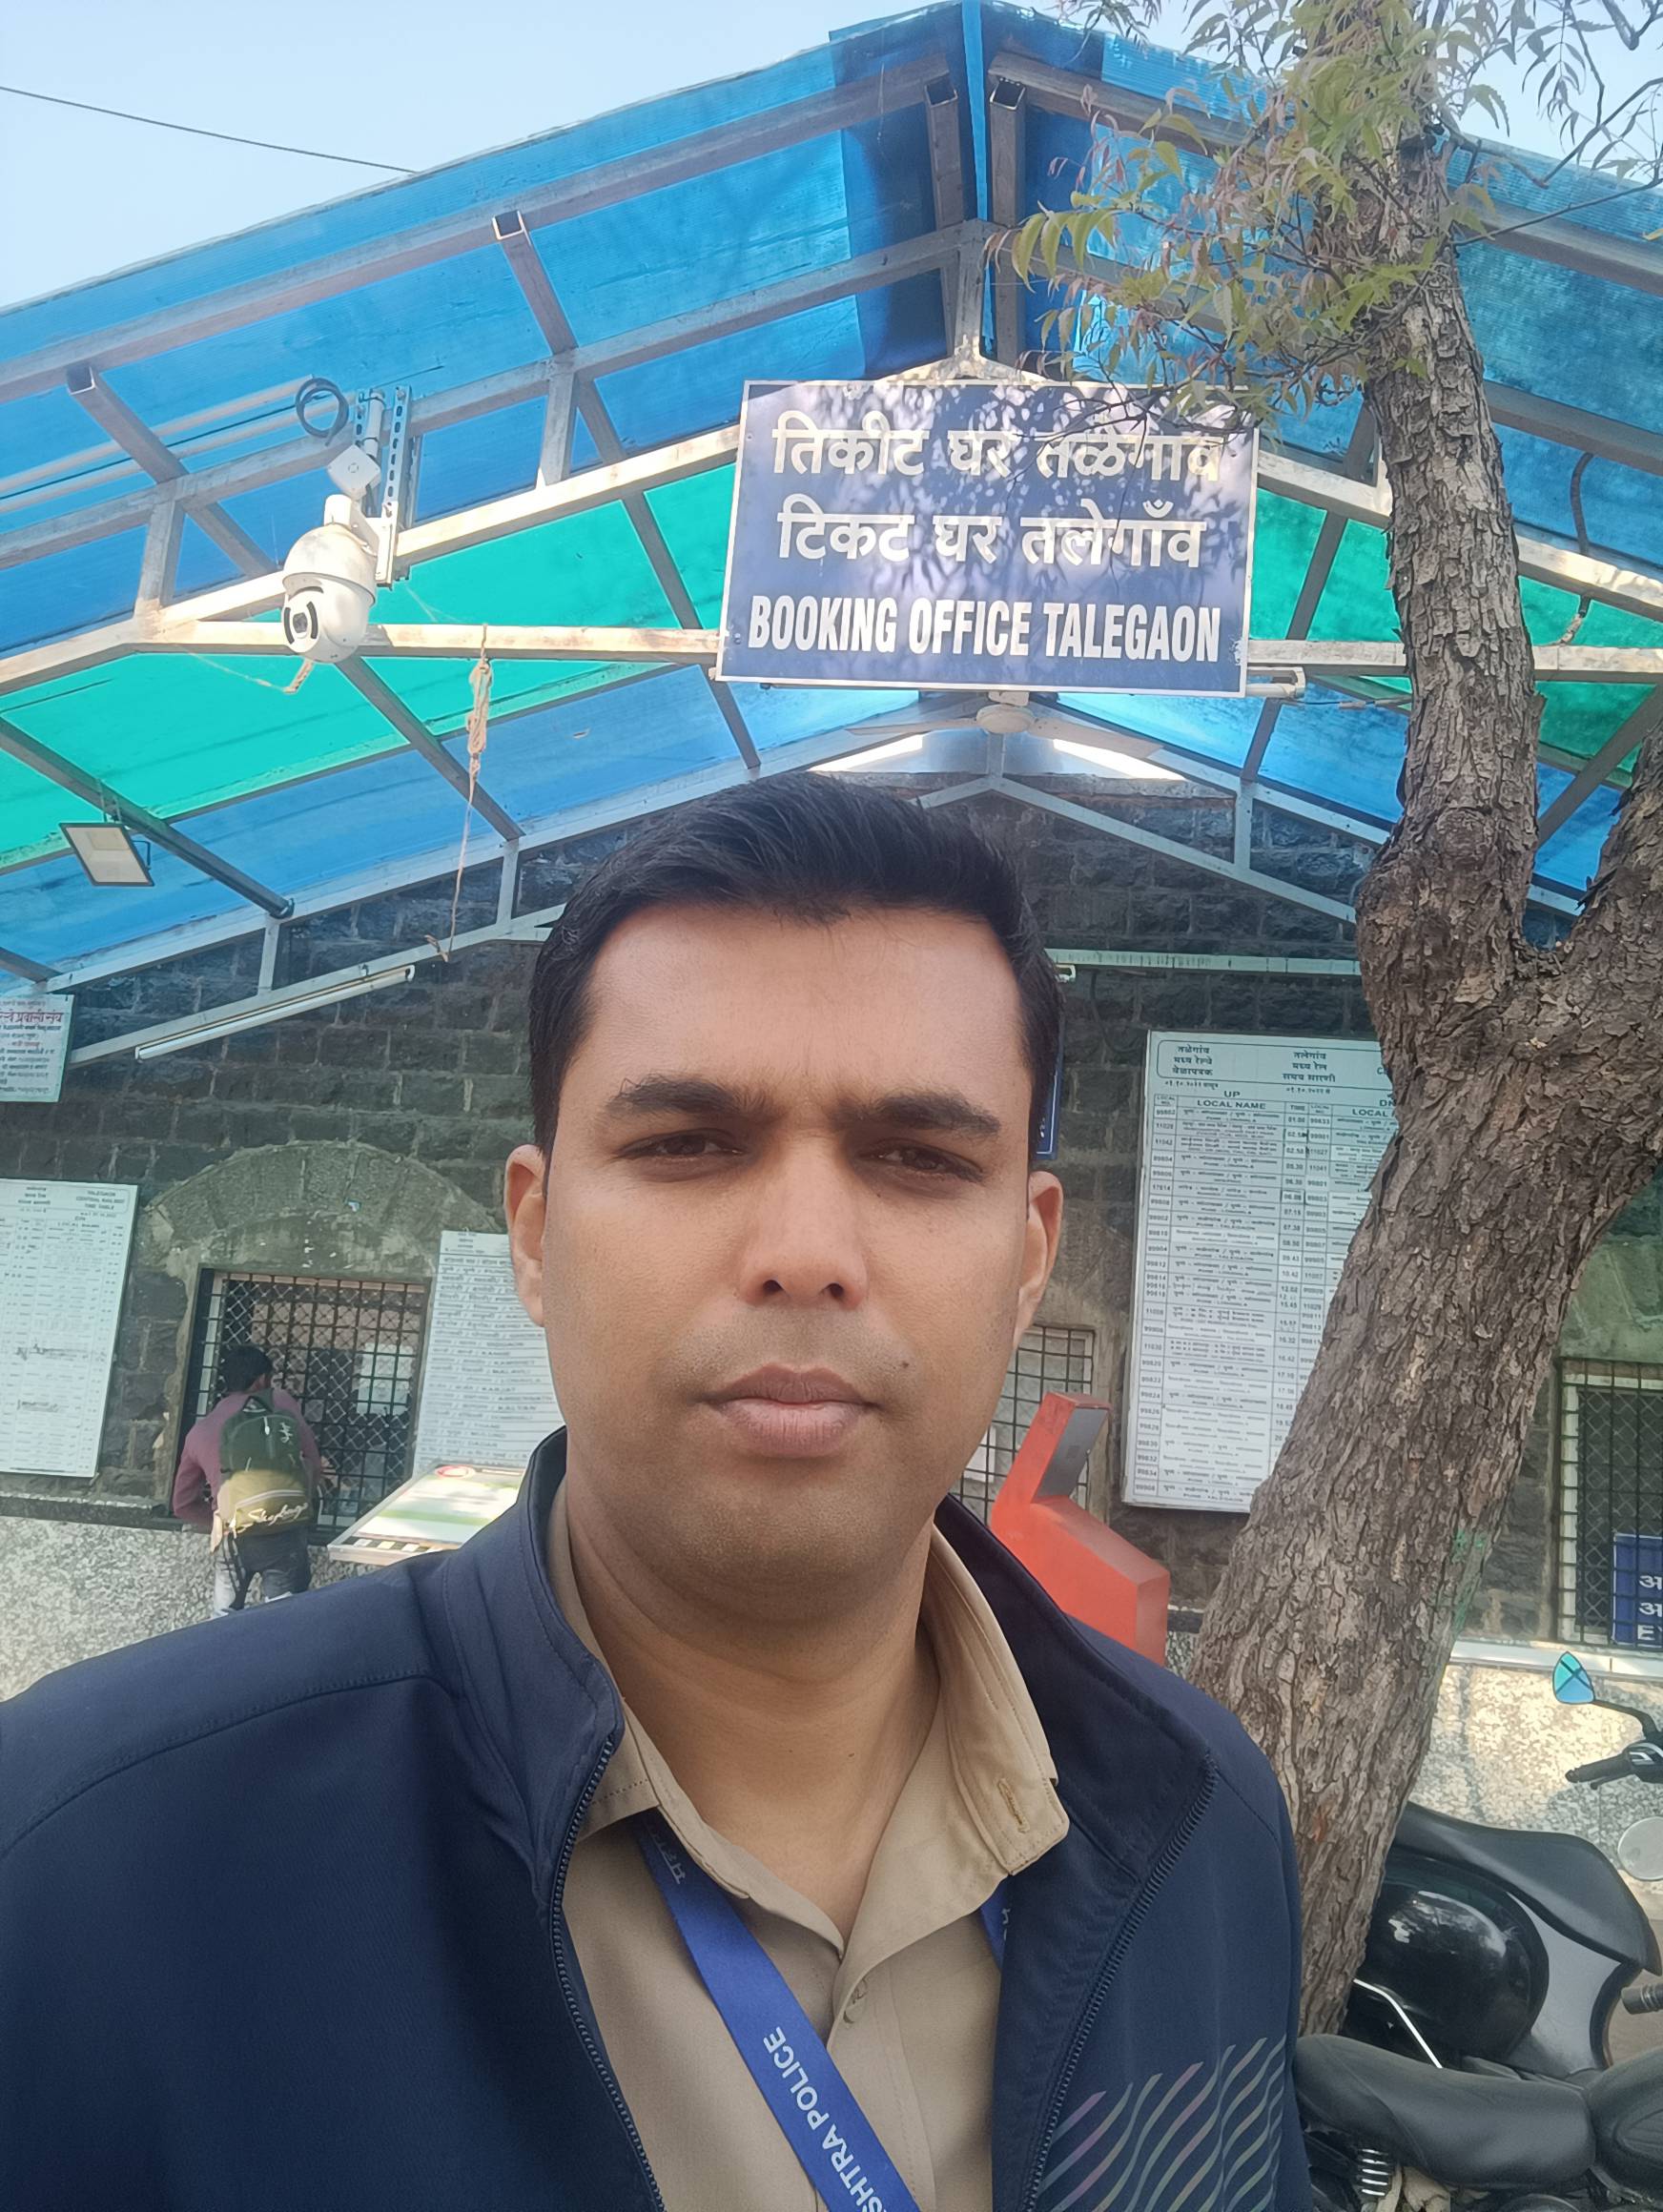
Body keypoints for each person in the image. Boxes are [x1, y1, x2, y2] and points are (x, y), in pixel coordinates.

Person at [0, 776, 1310, 2212]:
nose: (805, 1251)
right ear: (537, 1233)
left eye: (919, 1158)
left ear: (1028, 1260)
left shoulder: (1198, 1826)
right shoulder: (94, 1864)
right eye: (687, 1142)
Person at [170, 1342, 332, 1615]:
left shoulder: (199, 1432)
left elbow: (182, 1504)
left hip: (232, 1535)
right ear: (261, 1380)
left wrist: (225, 1519)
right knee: (284, 1618)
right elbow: (314, 1466)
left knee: (224, 1620)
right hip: (284, 1533)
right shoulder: (280, 1402)